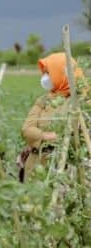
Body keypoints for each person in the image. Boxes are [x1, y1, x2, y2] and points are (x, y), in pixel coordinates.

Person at [21, 53, 84, 181]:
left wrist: (57, 137)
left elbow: (78, 135)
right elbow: (27, 129)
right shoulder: (44, 100)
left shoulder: (81, 102)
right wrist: (45, 136)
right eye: (44, 73)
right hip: (37, 165)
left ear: (61, 73)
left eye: (48, 72)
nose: (45, 77)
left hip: (65, 168)